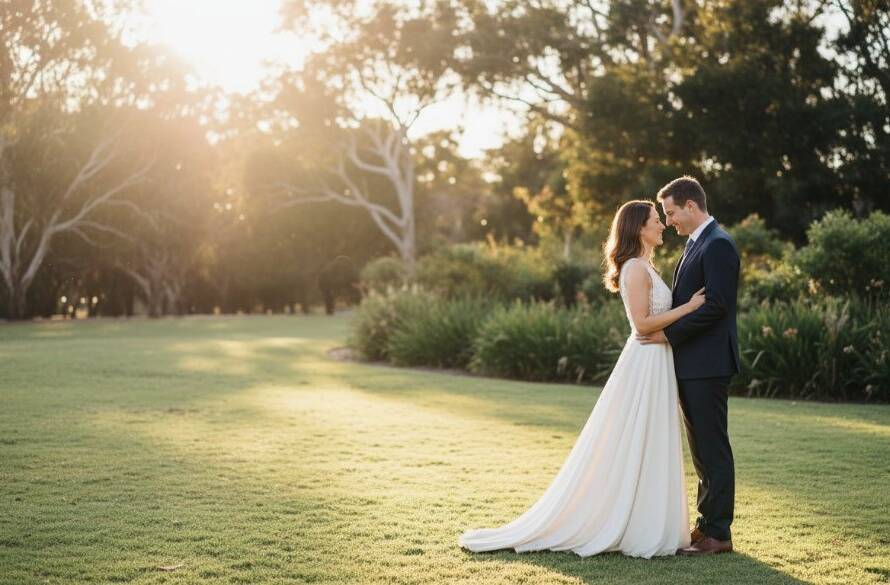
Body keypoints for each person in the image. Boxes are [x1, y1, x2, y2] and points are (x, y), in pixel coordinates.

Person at [458, 199, 706, 558]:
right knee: (636, 437)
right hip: (645, 362)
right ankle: (628, 521)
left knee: (651, 438)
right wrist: (690, 308)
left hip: (657, 360)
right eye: (656, 220)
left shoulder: (646, 266)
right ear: (639, 227)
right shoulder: (635, 268)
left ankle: (649, 519)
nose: (662, 225)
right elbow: (641, 325)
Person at [638, 176, 741, 555]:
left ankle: (719, 534)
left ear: (692, 207)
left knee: (713, 449)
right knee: (701, 450)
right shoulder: (698, 244)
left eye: (671, 212)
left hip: (708, 364)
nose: (668, 221)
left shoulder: (718, 245)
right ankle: (706, 524)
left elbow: (716, 305)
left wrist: (668, 335)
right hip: (693, 364)